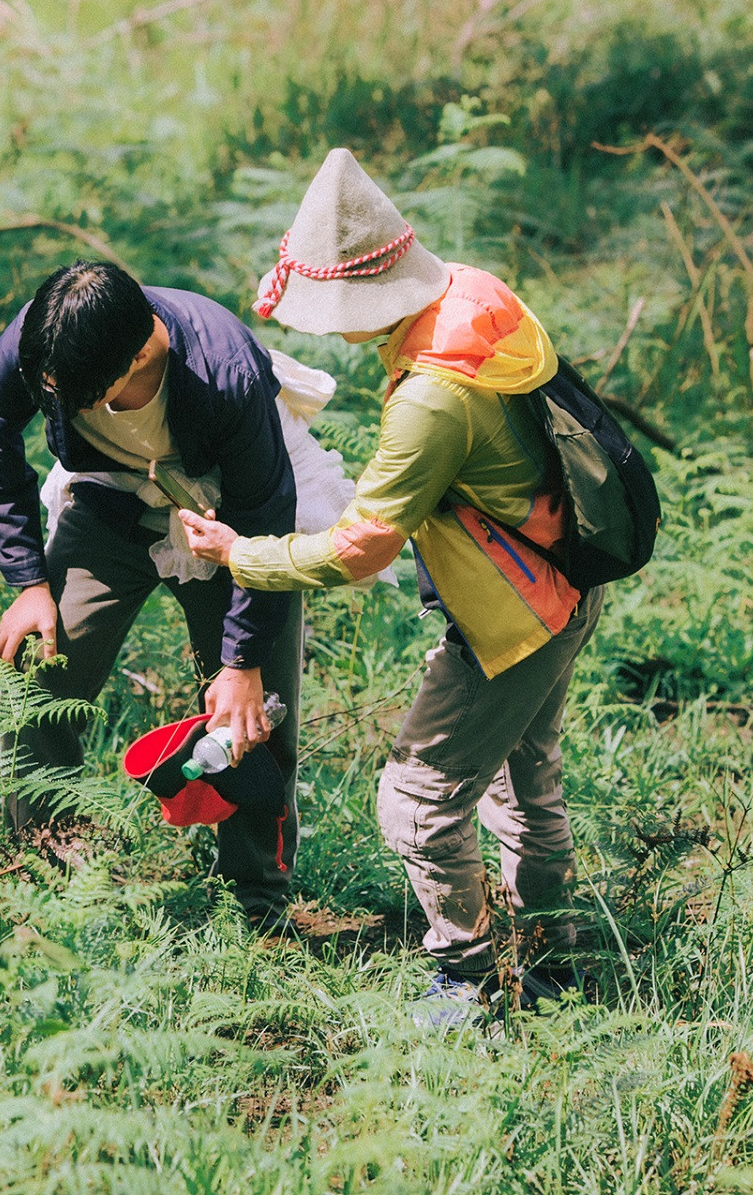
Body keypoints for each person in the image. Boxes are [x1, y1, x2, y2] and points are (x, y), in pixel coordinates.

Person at [180, 148, 600, 1015]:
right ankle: (558, 958)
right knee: (523, 777)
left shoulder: (431, 399)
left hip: (515, 611)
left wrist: (240, 554)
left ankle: (470, 979)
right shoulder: (470, 298)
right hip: (567, 575)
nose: (325, 330)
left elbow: (360, 549)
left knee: (415, 799)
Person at [0, 260, 305, 929]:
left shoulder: (222, 370)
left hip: (227, 521)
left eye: (78, 398)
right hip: (108, 506)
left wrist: (241, 659)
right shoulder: (49, 337)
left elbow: (266, 515)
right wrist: (28, 581)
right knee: (39, 672)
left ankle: (258, 903)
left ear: (144, 350)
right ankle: (45, 864)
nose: (58, 402)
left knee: (254, 714)